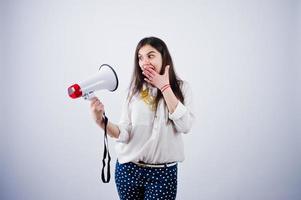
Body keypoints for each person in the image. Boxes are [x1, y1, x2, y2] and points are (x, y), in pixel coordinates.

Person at [90, 36, 194, 200]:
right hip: (129, 170)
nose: (144, 61)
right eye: (140, 57)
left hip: (163, 174)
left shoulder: (182, 88)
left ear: (163, 57)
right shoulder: (134, 91)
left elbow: (185, 126)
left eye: (150, 55)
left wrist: (164, 87)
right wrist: (100, 121)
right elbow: (124, 133)